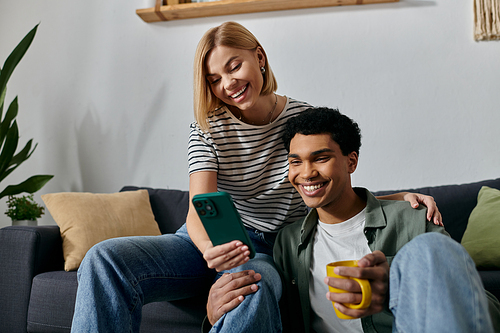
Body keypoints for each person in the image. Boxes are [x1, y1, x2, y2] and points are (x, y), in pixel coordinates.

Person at [71, 22, 442, 333]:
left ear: (259, 58)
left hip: (265, 248)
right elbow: (199, 209)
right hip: (202, 242)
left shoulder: (302, 120)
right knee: (104, 258)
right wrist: (211, 252)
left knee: (251, 283)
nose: (227, 84)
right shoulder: (207, 128)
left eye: (234, 67)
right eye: (215, 79)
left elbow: (328, 186)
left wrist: (397, 197)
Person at [270, 107, 499, 332]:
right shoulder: (288, 241)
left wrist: (400, 283)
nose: (307, 173)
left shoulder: (414, 218)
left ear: (351, 162)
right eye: (296, 162)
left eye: (320, 158)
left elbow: (478, 306)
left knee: (431, 248)